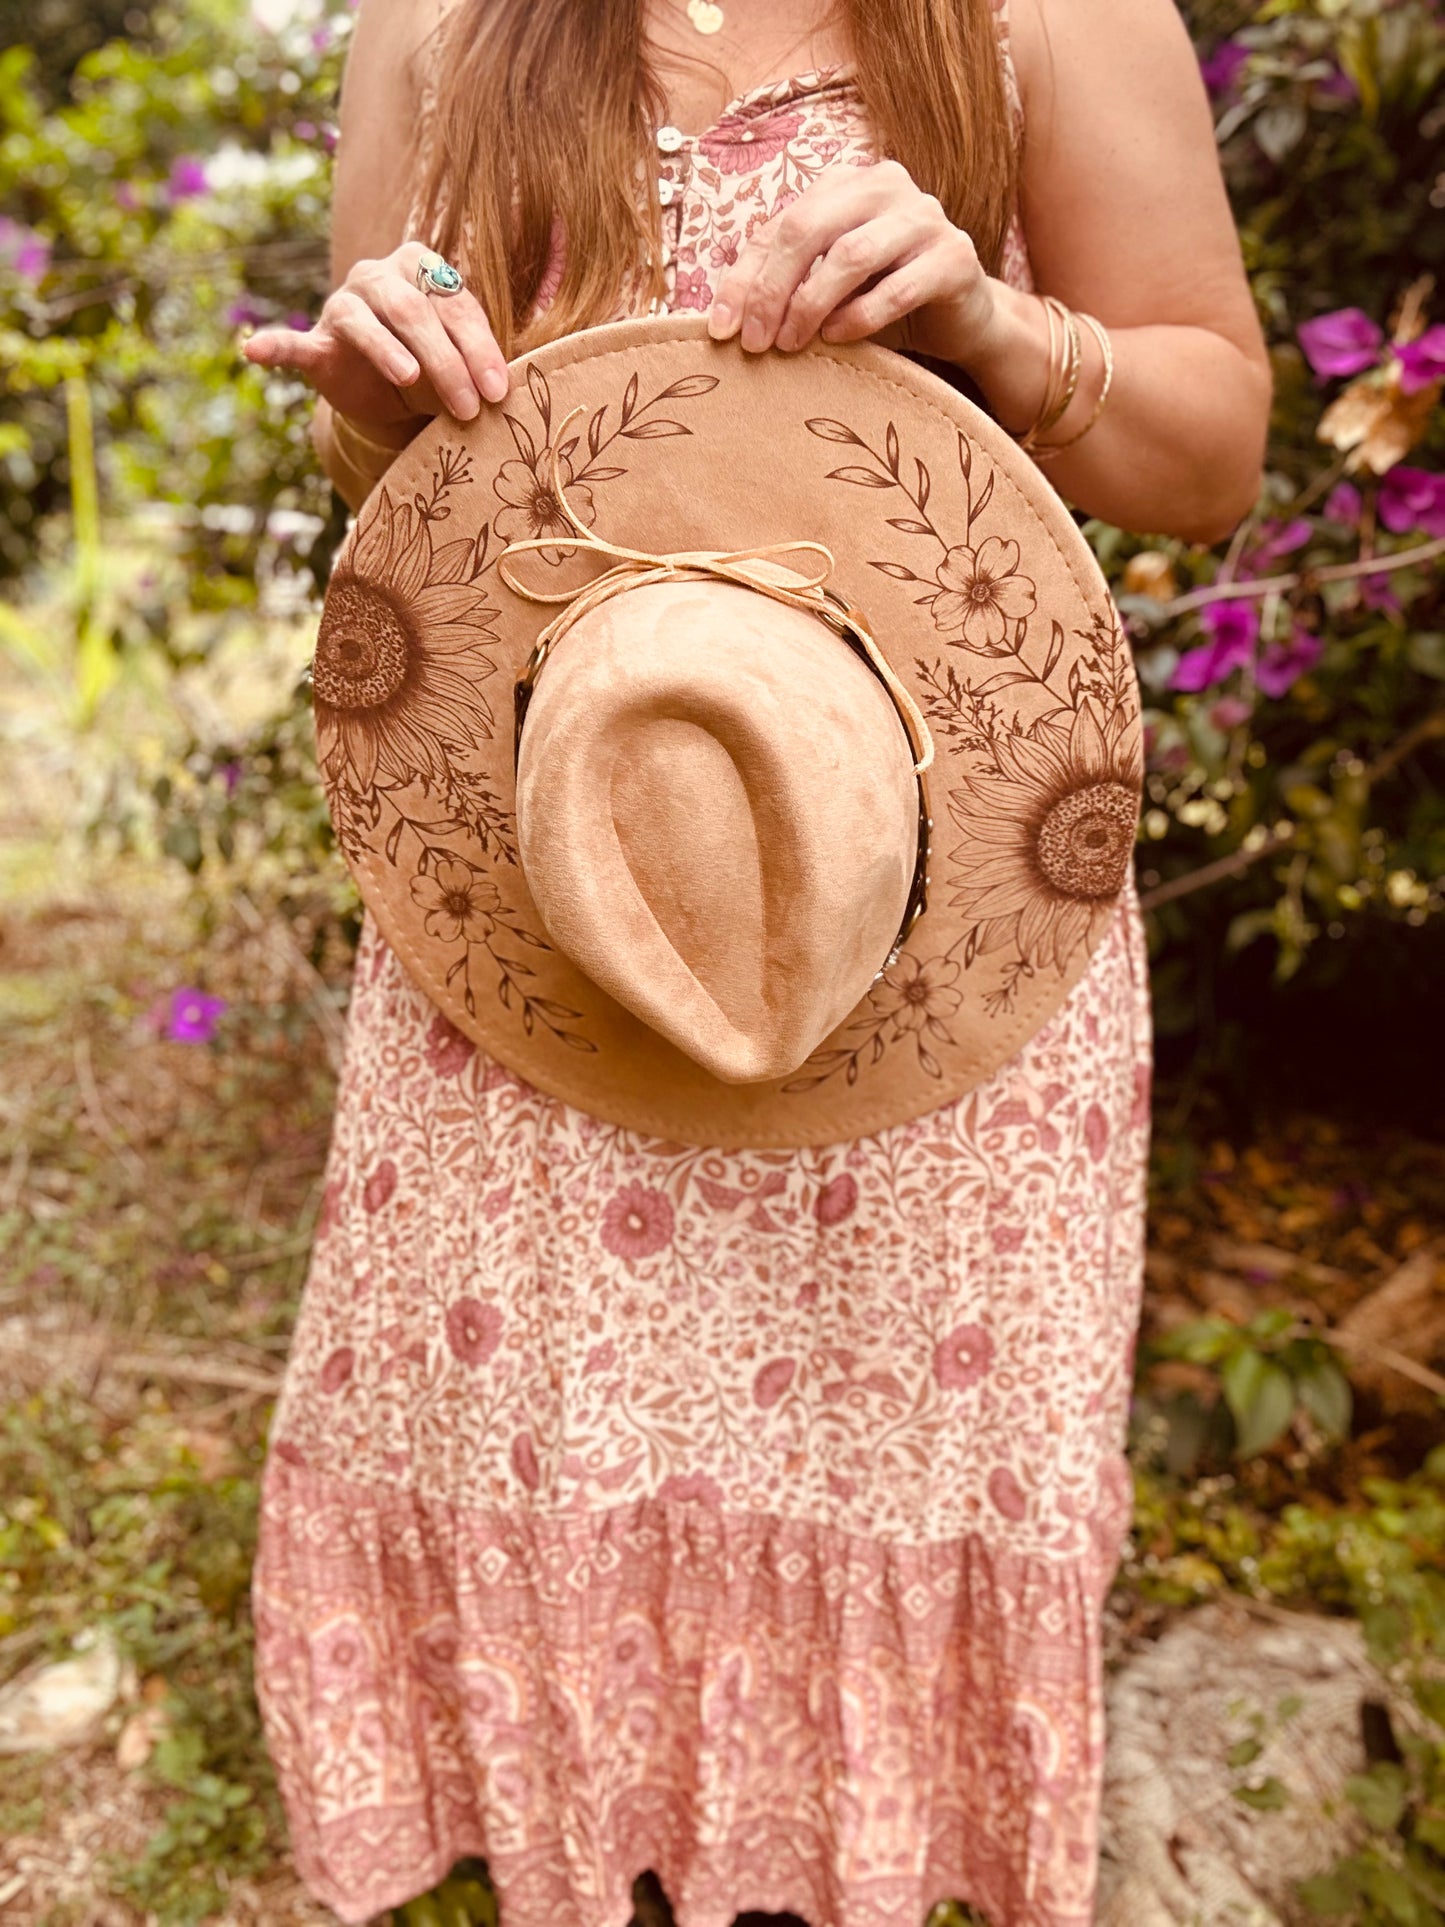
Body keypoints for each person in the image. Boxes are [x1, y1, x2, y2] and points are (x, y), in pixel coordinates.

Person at [242, 3, 1271, 1925]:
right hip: (552, 918)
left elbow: (1211, 447)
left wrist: (989, 326)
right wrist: (379, 380)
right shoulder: (436, 22)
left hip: (918, 947)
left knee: (873, 1468)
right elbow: (364, 437)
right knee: (548, 1449)